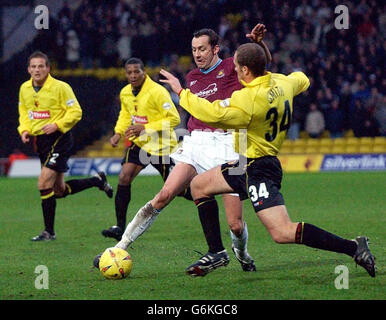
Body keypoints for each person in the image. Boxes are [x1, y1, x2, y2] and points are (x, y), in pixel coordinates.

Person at [158, 42, 376, 278]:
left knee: (282, 233)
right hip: (245, 165)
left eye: (238, 67)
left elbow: (213, 115)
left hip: (259, 169)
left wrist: (181, 92)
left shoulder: (248, 99)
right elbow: (303, 78)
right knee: (199, 186)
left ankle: (354, 247)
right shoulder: (283, 83)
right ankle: (216, 252)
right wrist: (262, 48)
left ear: (244, 70)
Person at [95, 24, 271, 272]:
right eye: (194, 49)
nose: (197, 54)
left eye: (202, 49)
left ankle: (242, 255)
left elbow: (261, 70)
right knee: (164, 195)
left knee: (236, 225)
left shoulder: (232, 65)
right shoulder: (192, 78)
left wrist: (259, 45)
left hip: (231, 143)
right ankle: (119, 248)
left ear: (216, 49)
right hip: (197, 143)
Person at [18, 51, 113, 241]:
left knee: (43, 183)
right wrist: (24, 130)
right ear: (29, 69)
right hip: (41, 142)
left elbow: (76, 111)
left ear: (48, 68)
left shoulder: (61, 87)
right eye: (34, 67)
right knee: (58, 191)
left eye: (41, 66)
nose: (37, 70)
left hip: (59, 139)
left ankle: (49, 232)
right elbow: (25, 111)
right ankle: (97, 181)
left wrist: (57, 124)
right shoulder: (24, 88)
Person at [101, 57, 182, 241]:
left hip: (161, 146)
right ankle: (120, 227)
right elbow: (125, 114)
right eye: (129, 72)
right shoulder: (125, 93)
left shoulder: (157, 92)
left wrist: (146, 127)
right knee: (124, 176)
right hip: (140, 143)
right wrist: (118, 133)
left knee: (179, 190)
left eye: (136, 71)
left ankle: (203, 194)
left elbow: (174, 119)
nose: (133, 75)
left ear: (144, 72)